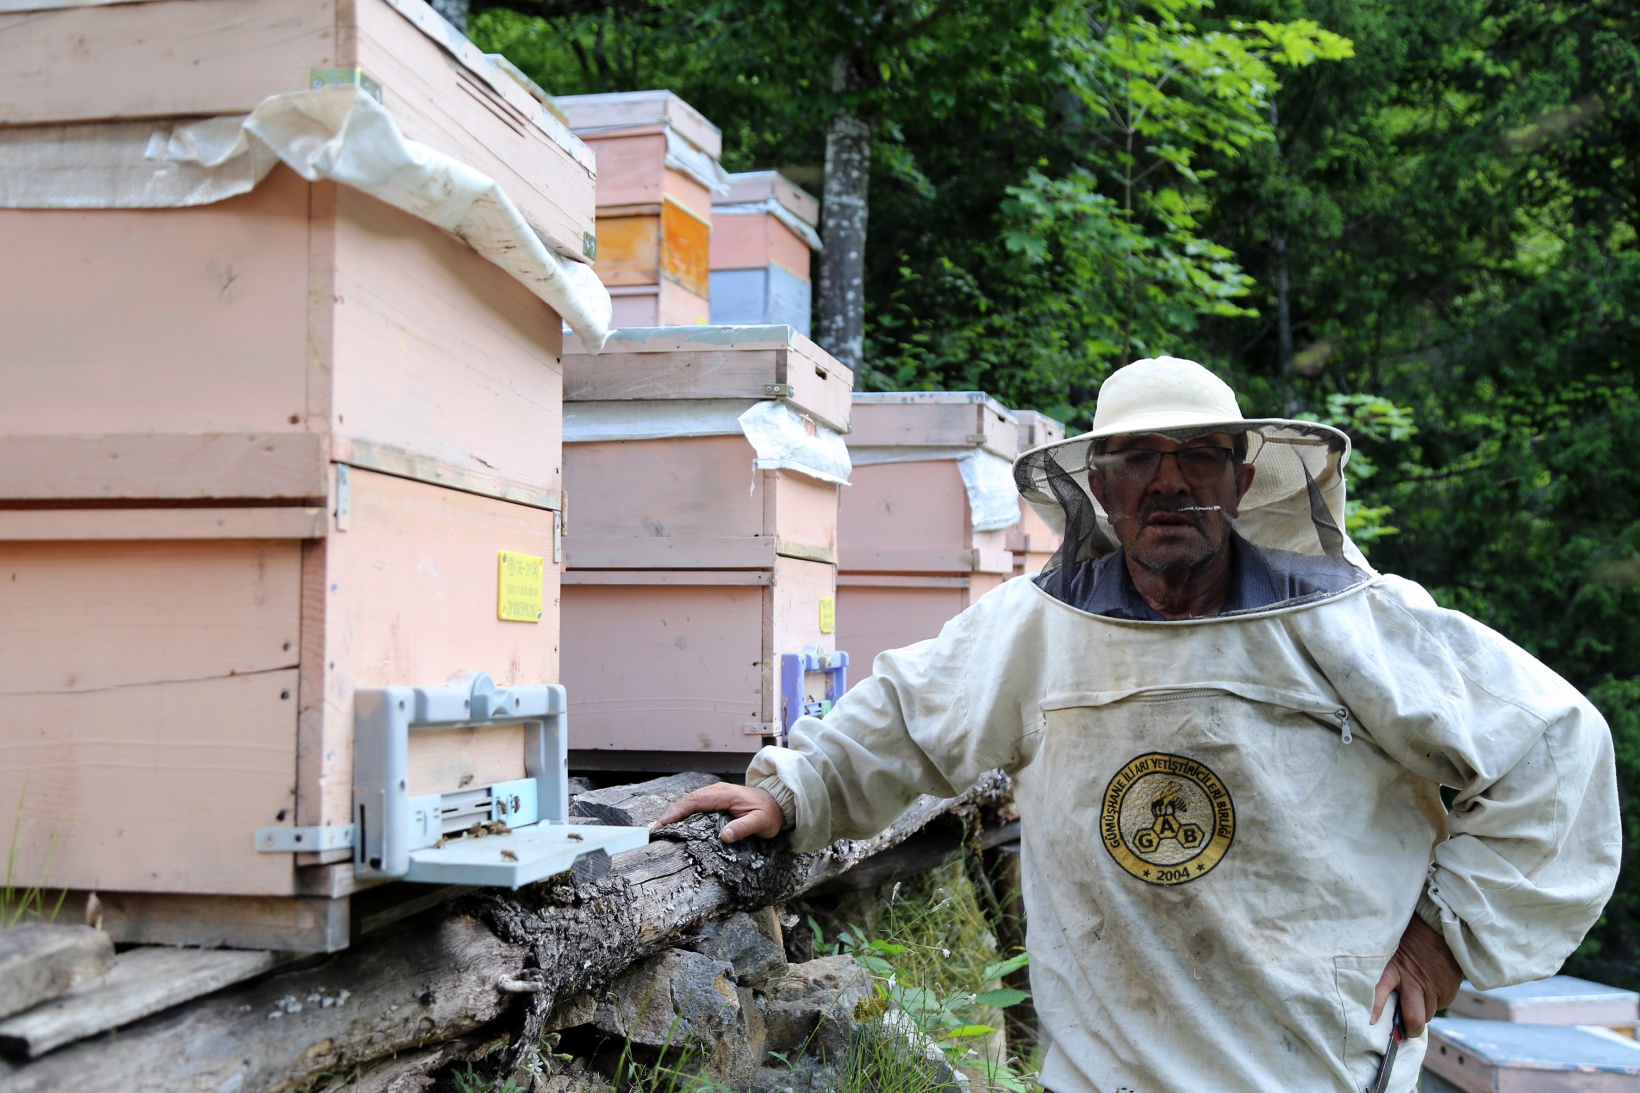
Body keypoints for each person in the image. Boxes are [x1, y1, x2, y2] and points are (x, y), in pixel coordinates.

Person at [655, 357, 1620, 1093]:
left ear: (1242, 481)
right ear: (1101, 488)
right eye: (1139, 462)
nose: (1171, 483)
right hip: (1106, 1064)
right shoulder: (1040, 624)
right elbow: (911, 711)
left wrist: (1445, 937)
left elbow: (1558, 747)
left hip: (1310, 1064)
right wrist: (797, 789)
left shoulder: (1350, 621)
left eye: (1199, 456)